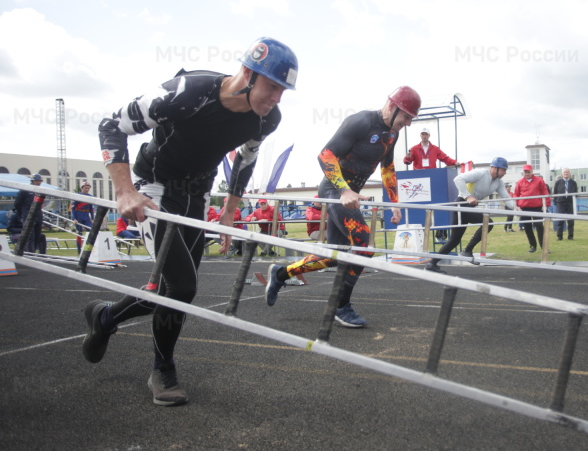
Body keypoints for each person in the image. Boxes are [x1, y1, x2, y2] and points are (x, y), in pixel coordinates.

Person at [82, 36, 298, 407]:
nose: (276, 98)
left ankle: (105, 318)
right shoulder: (188, 91)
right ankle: (162, 369)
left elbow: (247, 158)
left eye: (283, 91)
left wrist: (230, 207)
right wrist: (124, 191)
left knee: (177, 291)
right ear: (247, 73)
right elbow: (111, 123)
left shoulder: (266, 119)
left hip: (196, 196)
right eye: (272, 86)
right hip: (155, 188)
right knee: (181, 286)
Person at [265, 86, 419, 328]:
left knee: (332, 256)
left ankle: (281, 274)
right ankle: (340, 305)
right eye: (406, 117)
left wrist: (394, 202)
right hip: (334, 190)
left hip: (349, 193)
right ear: (392, 106)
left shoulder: (392, 134)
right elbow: (325, 155)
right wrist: (345, 189)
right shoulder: (360, 121)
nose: (408, 123)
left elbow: (388, 169)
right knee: (363, 246)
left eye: (411, 119)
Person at [425, 157, 515, 273]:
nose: (505, 173)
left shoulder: (498, 182)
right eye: (504, 170)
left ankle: (432, 263)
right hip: (461, 204)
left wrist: (517, 208)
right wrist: (468, 196)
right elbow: (458, 179)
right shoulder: (481, 173)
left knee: (455, 239)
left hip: (470, 207)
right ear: (495, 168)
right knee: (485, 224)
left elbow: (506, 198)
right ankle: (465, 251)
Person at [513, 165, 551, 252]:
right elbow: (516, 194)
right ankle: (532, 245)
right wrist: (517, 206)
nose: (526, 173)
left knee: (539, 226)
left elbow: (545, 192)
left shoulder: (539, 180)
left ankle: (544, 247)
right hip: (524, 208)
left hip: (537, 207)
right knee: (527, 227)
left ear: (532, 171)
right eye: (525, 172)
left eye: (528, 172)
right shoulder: (519, 182)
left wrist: (546, 205)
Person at [13, 174, 46, 254]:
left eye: (39, 181)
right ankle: (30, 255)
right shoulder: (25, 190)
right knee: (30, 237)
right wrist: (23, 214)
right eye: (36, 181)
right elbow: (17, 204)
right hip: (28, 216)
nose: (38, 182)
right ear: (32, 181)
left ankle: (34, 253)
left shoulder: (41, 190)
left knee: (37, 237)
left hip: (38, 217)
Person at [552, 167, 578, 241]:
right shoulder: (558, 182)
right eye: (564, 173)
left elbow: (576, 193)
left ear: (570, 174)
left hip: (570, 203)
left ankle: (570, 236)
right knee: (560, 220)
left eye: (567, 172)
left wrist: (573, 200)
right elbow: (555, 193)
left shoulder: (573, 182)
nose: (566, 174)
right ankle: (559, 237)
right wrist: (556, 201)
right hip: (560, 203)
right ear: (562, 174)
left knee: (570, 221)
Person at [72, 181, 95, 250]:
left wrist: (92, 218)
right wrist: (74, 218)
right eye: (85, 188)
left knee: (91, 231)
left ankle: (88, 248)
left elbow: (91, 209)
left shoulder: (91, 197)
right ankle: (79, 250)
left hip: (86, 216)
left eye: (88, 188)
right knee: (79, 233)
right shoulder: (77, 196)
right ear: (82, 188)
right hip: (78, 215)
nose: (87, 190)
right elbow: (73, 208)